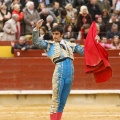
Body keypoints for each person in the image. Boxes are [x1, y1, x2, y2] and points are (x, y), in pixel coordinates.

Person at [32, 19, 84, 120]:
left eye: (57, 34)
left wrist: (94, 42)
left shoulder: (70, 44)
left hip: (70, 73)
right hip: (59, 71)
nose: (54, 36)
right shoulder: (49, 45)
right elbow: (36, 42)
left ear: (62, 34)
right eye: (53, 34)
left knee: (62, 102)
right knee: (56, 100)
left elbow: (84, 51)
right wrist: (37, 28)